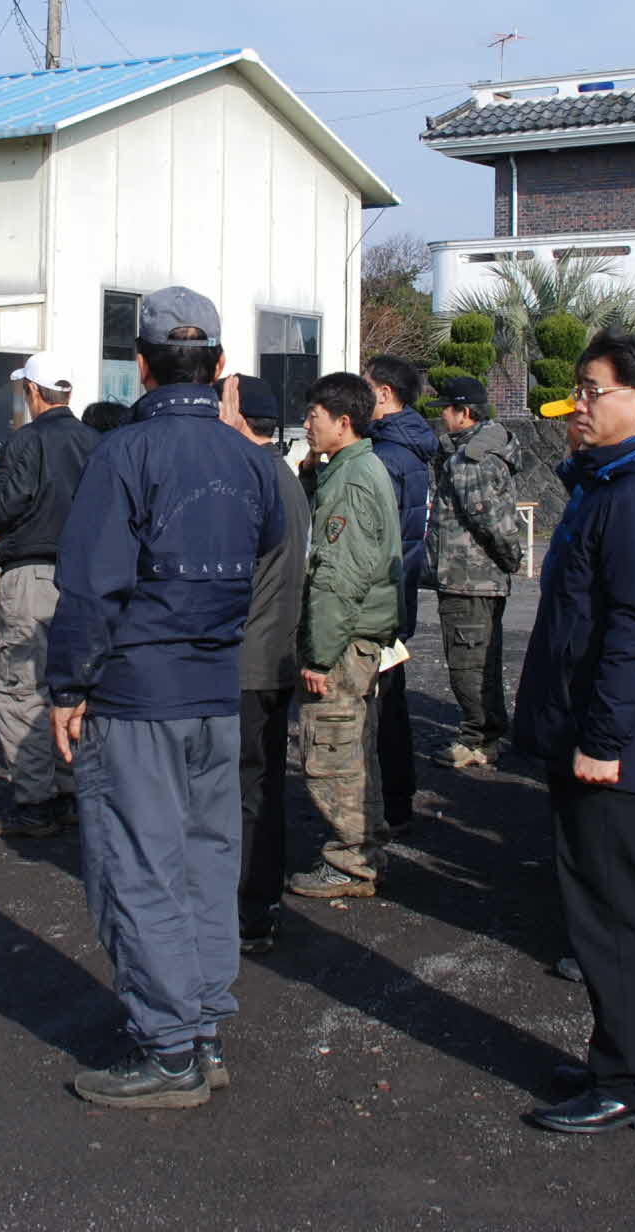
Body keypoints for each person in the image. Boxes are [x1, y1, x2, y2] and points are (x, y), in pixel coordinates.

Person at [47, 287, 287, 1109]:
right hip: (217, 688)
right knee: (205, 863)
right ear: (219, 367)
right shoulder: (252, 458)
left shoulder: (125, 454)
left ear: (140, 365)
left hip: (138, 691)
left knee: (139, 869)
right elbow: (273, 543)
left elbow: (89, 587)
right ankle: (202, 1028)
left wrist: (67, 686)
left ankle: (169, 1049)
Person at [512, 328, 635, 1136]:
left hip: (615, 747)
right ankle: (614, 1059)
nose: (580, 404)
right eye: (580, 390)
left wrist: (603, 739)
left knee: (615, 914)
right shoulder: (613, 482)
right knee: (598, 904)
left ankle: (633, 1077)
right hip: (596, 736)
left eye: (594, 390)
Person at [0, 354, 101, 838]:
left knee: (23, 688)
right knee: (70, 687)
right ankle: (69, 791)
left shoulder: (26, 440)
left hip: (32, 575)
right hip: (84, 583)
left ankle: (35, 803)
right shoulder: (93, 442)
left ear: (34, 393)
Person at [286, 371, 405, 901]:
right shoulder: (347, 470)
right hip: (359, 637)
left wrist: (318, 653)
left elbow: (338, 576)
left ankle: (352, 860)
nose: (308, 424)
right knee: (355, 748)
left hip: (346, 639)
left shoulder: (354, 480)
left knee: (331, 749)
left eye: (315, 416)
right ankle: (364, 850)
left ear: (344, 422)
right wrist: (312, 474)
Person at [232, 375, 311, 954]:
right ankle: (262, 898)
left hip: (250, 660)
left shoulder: (254, 478)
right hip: (276, 652)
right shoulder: (284, 475)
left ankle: (248, 907)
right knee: (263, 785)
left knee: (245, 788)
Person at [426, 375, 524, 771]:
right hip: (479, 576)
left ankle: (479, 737)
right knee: (482, 658)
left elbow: (491, 521)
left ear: (464, 413)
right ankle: (488, 732)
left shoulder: (470, 461)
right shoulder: (485, 449)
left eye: (447, 410)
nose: (443, 419)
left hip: (468, 577)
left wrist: (511, 556)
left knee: (468, 663)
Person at [364, 355, 436, 832]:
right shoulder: (412, 448)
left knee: (379, 708)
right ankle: (397, 798)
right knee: (391, 701)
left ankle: (389, 803)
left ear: (385, 394)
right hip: (402, 589)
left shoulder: (385, 457)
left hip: (381, 596)